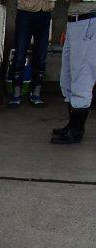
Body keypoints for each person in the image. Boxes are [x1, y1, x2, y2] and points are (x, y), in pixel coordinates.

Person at [51, 0, 95, 144]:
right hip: (75, 21)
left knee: (82, 78)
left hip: (88, 21)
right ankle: (72, 125)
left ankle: (76, 130)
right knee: (67, 78)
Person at [8, 0, 55, 108]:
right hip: (25, 11)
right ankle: (16, 94)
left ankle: (36, 94)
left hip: (45, 11)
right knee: (20, 53)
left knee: (41, 55)